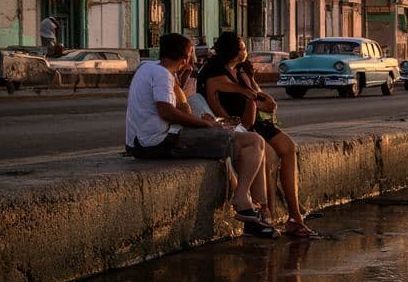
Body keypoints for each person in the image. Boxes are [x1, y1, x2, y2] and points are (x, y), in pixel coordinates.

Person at [125, 33, 276, 238]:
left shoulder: (147, 68)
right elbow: (167, 112)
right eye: (190, 55)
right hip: (160, 142)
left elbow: (183, 109)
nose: (192, 60)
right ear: (185, 57)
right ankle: (244, 203)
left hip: (142, 142)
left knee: (245, 143)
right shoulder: (162, 75)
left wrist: (182, 80)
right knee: (252, 143)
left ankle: (250, 210)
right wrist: (205, 124)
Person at [199, 32, 318, 239]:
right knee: (270, 156)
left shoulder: (242, 70)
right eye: (243, 47)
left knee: (288, 147)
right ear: (234, 51)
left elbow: (267, 102)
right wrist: (252, 98)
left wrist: (253, 95)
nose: (246, 50)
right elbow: (228, 113)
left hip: (257, 123)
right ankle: (266, 214)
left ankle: (295, 217)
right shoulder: (215, 75)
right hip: (241, 126)